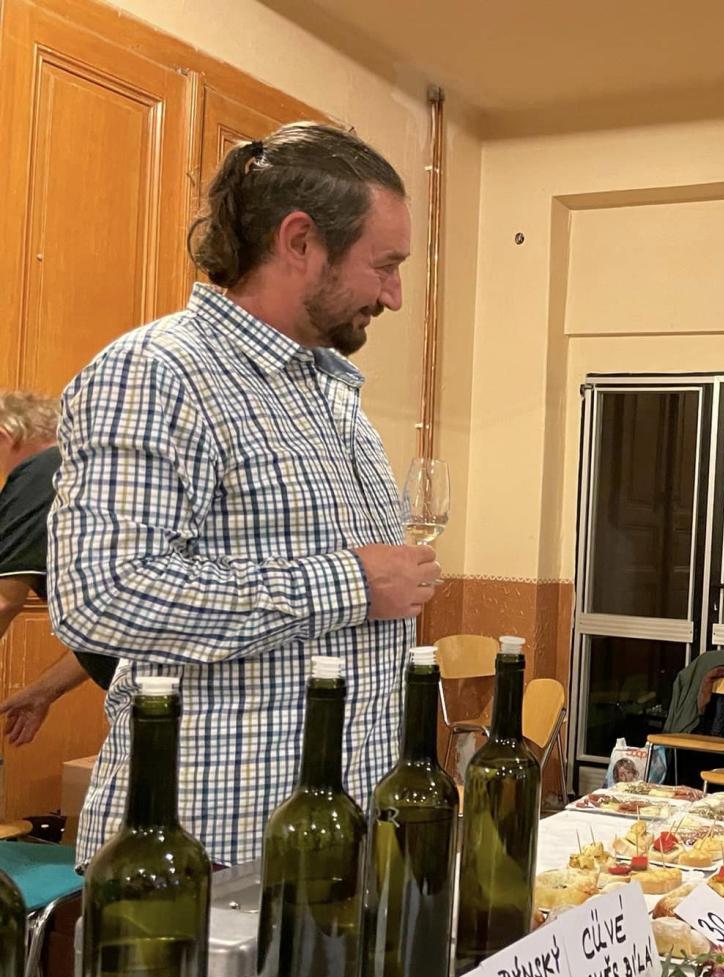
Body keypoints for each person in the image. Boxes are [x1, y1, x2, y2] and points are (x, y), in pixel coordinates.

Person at [48, 122, 438, 868]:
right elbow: (101, 595)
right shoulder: (158, 372)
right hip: (209, 860)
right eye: (384, 265)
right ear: (300, 241)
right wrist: (352, 584)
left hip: (338, 848)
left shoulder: (333, 397)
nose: (393, 294)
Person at [0, 392, 93, 745]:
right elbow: (115, 632)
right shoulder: (85, 472)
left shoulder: (43, 468)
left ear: (4, 436)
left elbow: (3, 601)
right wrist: (43, 690)